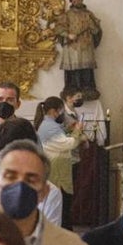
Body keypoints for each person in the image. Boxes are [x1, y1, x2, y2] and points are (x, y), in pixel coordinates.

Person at [34, 96, 86, 230]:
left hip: (59, 172)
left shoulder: (51, 125)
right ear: (53, 111)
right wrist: (77, 130)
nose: (63, 113)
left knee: (65, 212)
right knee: (62, 214)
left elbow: (61, 139)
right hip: (57, 177)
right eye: (61, 110)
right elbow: (69, 144)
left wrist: (69, 131)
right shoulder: (48, 126)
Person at [53, 0, 103, 97]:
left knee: (86, 68)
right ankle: (72, 88)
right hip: (72, 46)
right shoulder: (67, 15)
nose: (77, 2)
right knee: (73, 68)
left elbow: (96, 31)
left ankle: (87, 88)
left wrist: (94, 26)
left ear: (82, 0)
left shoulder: (88, 14)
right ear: (71, 2)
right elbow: (59, 28)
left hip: (86, 45)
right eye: (74, 0)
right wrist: (68, 35)